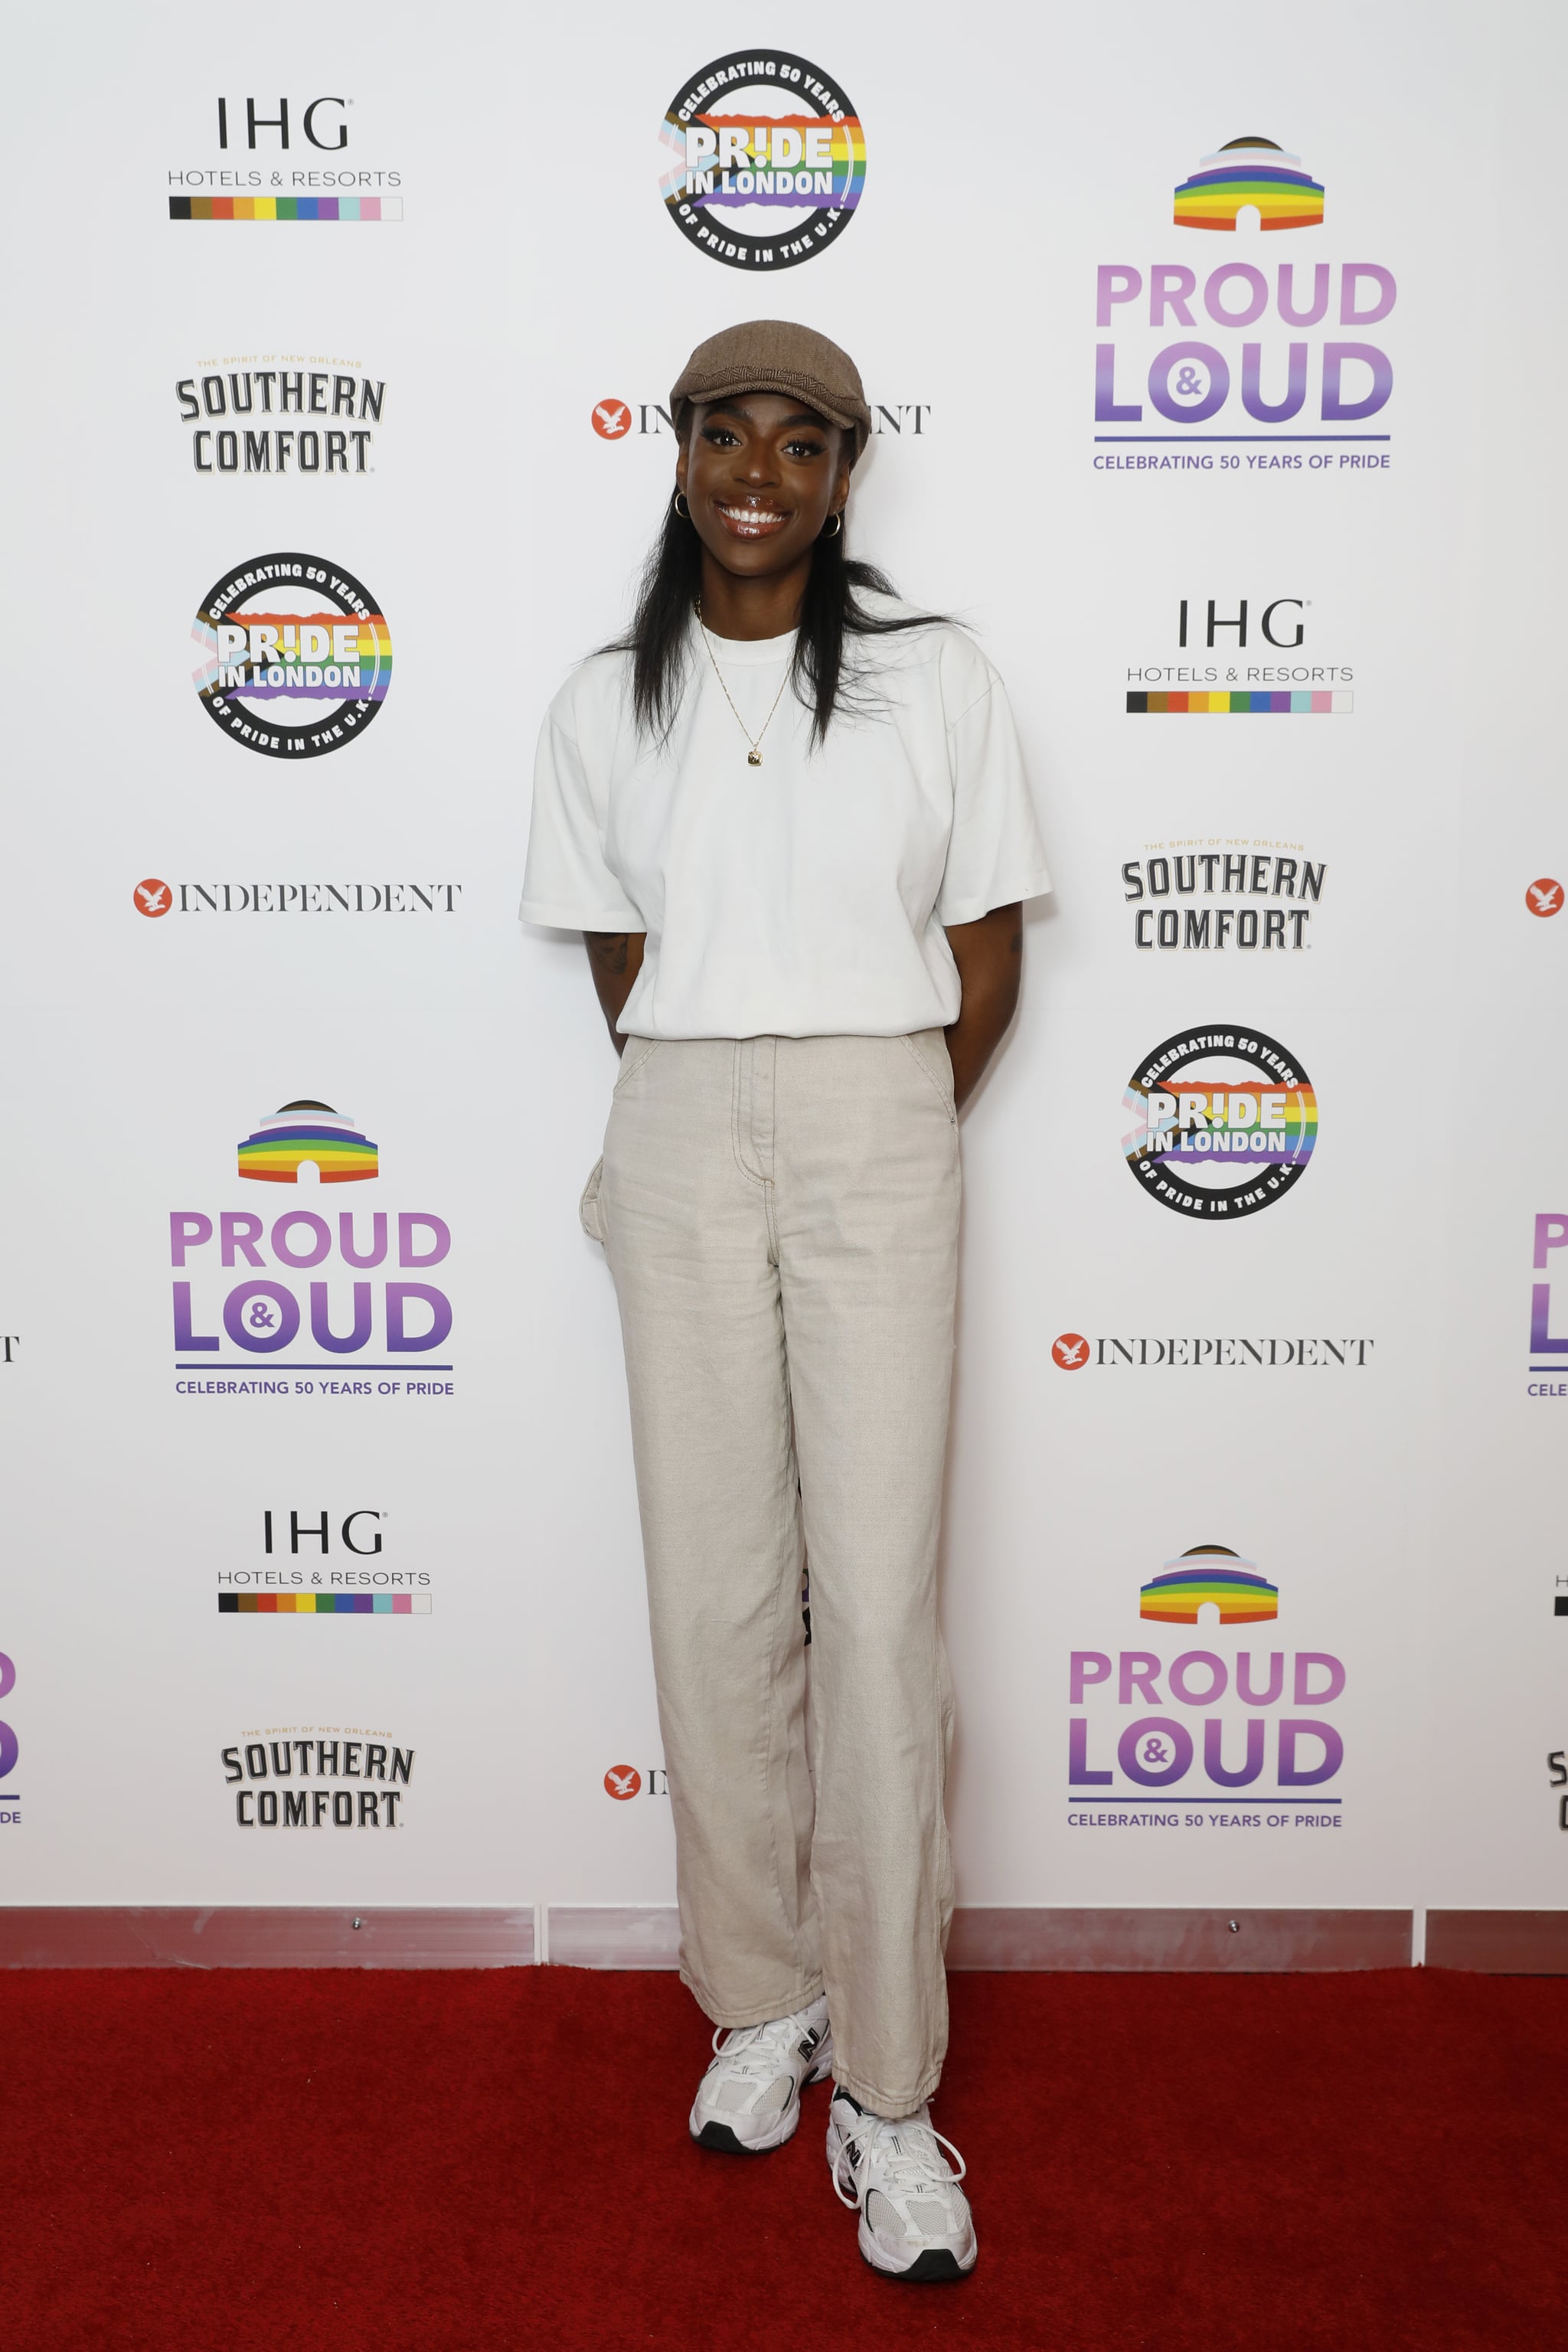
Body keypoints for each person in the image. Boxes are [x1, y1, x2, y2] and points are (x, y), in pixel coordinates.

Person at [521, 320, 1050, 2282]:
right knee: (715, 1588)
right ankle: (763, 1997)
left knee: (879, 1600)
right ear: (678, 454)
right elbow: (625, 962)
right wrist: (708, 1099)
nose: (760, 467)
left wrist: (879, 1119)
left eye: (802, 440)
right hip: (674, 1119)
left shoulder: (932, 680)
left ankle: (893, 2097)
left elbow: (985, 951)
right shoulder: (604, 702)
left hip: (872, 1119)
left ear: (847, 472)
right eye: (724, 431)